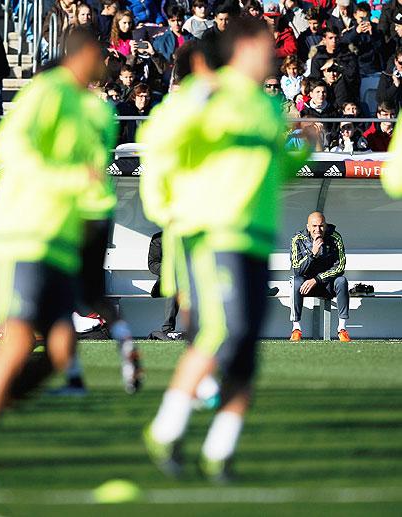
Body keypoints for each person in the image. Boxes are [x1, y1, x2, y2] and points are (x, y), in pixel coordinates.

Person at [0, 28, 119, 488]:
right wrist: (70, 176)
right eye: (103, 55)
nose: (108, 62)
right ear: (85, 55)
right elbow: (8, 148)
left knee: (60, 350)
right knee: (19, 340)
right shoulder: (48, 92)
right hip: (23, 233)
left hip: (58, 240)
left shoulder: (93, 109)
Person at [138, 16, 307, 481]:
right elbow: (158, 138)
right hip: (213, 233)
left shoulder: (266, 106)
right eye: (265, 46)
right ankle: (166, 429)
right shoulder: (210, 93)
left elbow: (275, 170)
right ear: (243, 48)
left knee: (247, 350)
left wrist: (302, 147)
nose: (273, 54)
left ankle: (220, 450)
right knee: (220, 333)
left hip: (254, 239)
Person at [289, 212, 350, 342]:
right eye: (314, 226)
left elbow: (340, 267)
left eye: (321, 226)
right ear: (308, 227)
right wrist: (312, 254)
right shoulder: (297, 239)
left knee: (342, 281)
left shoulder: (335, 237)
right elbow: (297, 270)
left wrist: (317, 279)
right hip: (306, 286)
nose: (318, 230)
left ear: (326, 226)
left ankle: (342, 329)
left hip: (327, 284)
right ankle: (296, 329)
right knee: (295, 281)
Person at [147, 232, 181, 340]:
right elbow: (152, 264)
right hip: (168, 280)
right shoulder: (158, 239)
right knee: (174, 281)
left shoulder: (190, 235)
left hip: (190, 278)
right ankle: (168, 329)